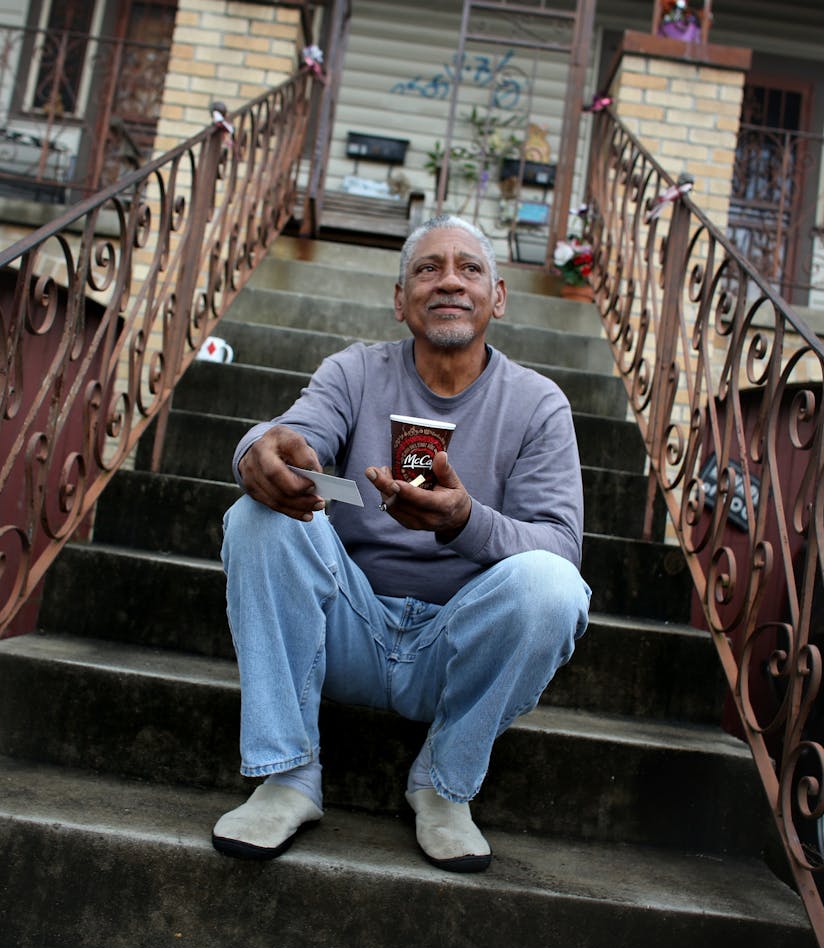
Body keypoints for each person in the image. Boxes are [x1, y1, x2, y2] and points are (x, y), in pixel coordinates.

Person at [212, 215, 590, 873]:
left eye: (469, 267)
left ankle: (443, 786)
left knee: (551, 586)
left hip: (455, 645)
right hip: (346, 627)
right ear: (399, 297)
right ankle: (288, 774)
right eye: (428, 267)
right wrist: (257, 450)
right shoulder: (354, 371)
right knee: (257, 516)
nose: (449, 280)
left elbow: (559, 544)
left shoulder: (538, 404)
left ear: (497, 296)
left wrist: (466, 519)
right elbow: (294, 435)